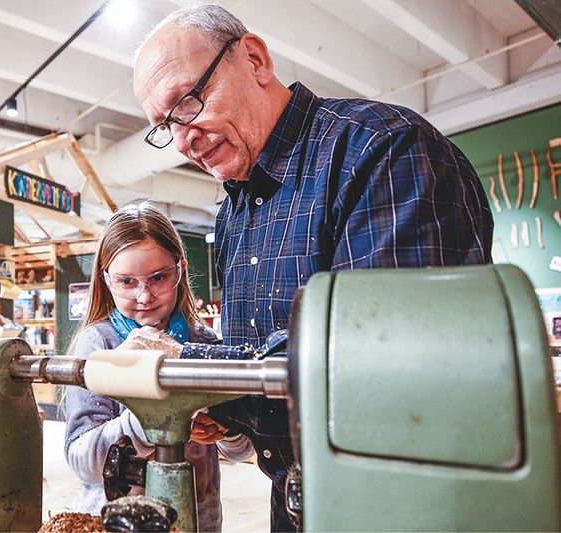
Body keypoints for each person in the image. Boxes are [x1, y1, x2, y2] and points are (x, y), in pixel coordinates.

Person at [132, 5, 494, 531]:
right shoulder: (234, 210)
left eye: (187, 102)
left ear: (254, 59)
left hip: (402, 499)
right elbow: (263, 355)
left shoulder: (381, 150)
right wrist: (213, 402)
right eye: (165, 125)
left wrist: (190, 364)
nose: (184, 137)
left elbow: (381, 361)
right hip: (294, 495)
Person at [63, 201, 254, 532]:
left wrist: (228, 425)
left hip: (198, 520)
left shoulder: (203, 343)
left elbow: (240, 449)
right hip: (117, 520)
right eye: (127, 281)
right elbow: (83, 461)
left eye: (158, 277)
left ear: (179, 270)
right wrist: (149, 423)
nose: (143, 296)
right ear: (106, 279)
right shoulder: (99, 344)